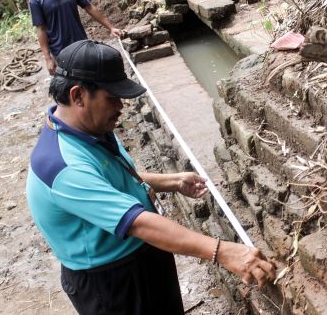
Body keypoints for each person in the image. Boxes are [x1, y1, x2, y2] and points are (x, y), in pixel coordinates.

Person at [25, 40, 275, 314]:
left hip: (143, 255)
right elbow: (137, 224)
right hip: (111, 281)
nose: (120, 106)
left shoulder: (88, 129)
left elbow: (107, 178)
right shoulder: (62, 166)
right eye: (111, 98)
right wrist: (224, 251)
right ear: (78, 96)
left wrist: (171, 181)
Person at [29, 0, 125, 75]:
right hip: (61, 52)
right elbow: (41, 29)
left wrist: (111, 28)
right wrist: (48, 58)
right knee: (72, 85)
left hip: (82, 44)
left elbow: (90, 8)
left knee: (91, 78)